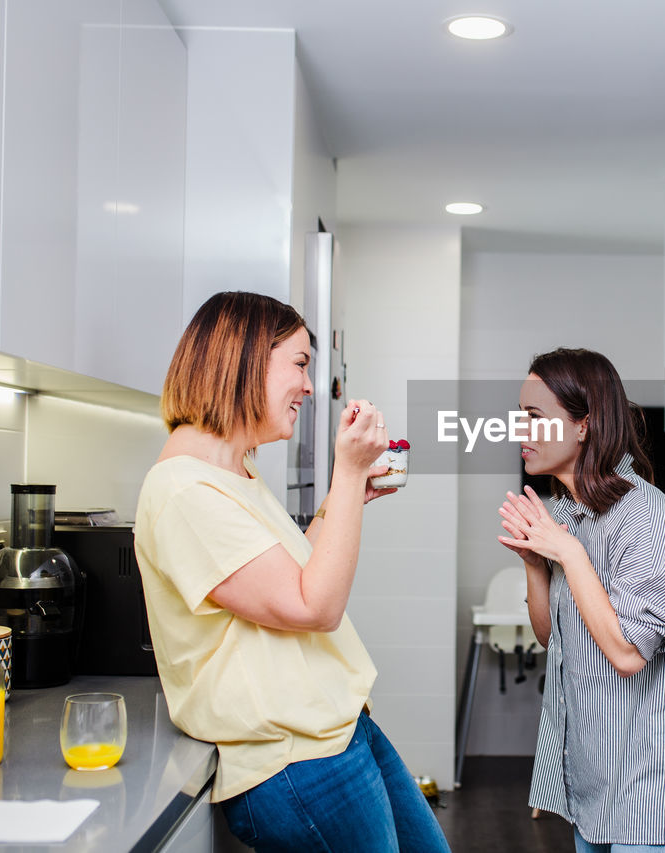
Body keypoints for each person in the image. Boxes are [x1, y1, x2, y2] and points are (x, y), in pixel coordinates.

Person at [133, 291, 450, 853]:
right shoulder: (183, 489)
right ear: (244, 358)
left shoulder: (234, 471)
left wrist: (343, 497)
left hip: (334, 732)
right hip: (294, 762)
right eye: (300, 364)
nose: (308, 386)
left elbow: (290, 576)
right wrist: (348, 478)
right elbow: (315, 606)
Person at [496, 348, 665, 853]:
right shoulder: (572, 514)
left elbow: (627, 654)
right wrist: (535, 564)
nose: (520, 431)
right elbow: (551, 637)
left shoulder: (645, 518)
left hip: (651, 796)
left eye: (535, 418)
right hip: (597, 788)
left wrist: (568, 553)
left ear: (584, 426)